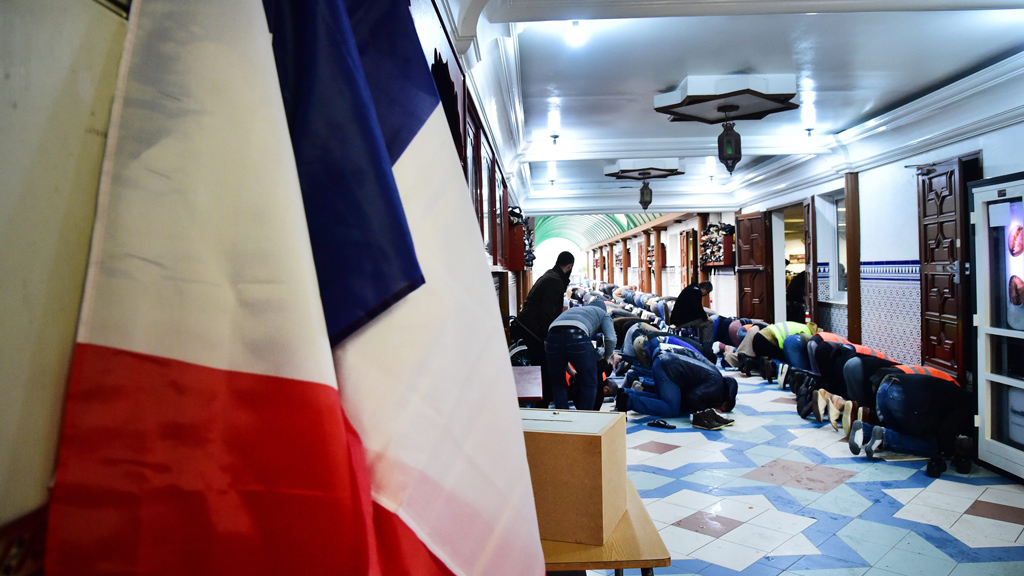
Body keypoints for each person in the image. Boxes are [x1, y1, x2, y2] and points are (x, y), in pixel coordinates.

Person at [848, 372, 973, 477]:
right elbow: (947, 431)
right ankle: (884, 437)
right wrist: (949, 451)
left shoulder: (954, 392)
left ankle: (865, 430)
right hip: (902, 397)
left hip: (885, 388)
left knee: (902, 433)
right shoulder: (967, 405)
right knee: (933, 446)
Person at [615, 351, 738, 430]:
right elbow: (693, 397)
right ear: (725, 402)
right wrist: (706, 411)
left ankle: (628, 394)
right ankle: (629, 401)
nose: (720, 411)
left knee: (664, 400)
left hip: (665, 363)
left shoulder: (716, 376)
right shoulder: (717, 386)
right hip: (670, 369)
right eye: (723, 409)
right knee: (671, 408)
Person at [513, 251, 574, 403]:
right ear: (569, 266)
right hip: (532, 328)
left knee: (540, 364)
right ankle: (543, 401)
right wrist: (548, 337)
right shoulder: (556, 281)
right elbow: (546, 312)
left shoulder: (550, 275)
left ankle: (541, 400)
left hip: (525, 324)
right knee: (544, 366)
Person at [544, 298, 619, 411]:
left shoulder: (576, 310)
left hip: (551, 337)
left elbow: (561, 346)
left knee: (558, 383)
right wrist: (607, 357)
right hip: (577, 335)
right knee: (590, 382)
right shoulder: (603, 314)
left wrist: (570, 371)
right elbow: (611, 339)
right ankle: (584, 419)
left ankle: (562, 419)